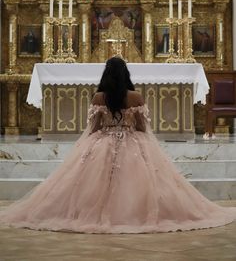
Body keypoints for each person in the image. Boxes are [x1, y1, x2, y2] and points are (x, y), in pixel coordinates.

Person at [0, 56, 236, 233]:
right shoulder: (135, 97)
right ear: (125, 75)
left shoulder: (97, 97)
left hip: (101, 144)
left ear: (106, 75)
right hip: (133, 143)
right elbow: (143, 127)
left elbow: (93, 128)